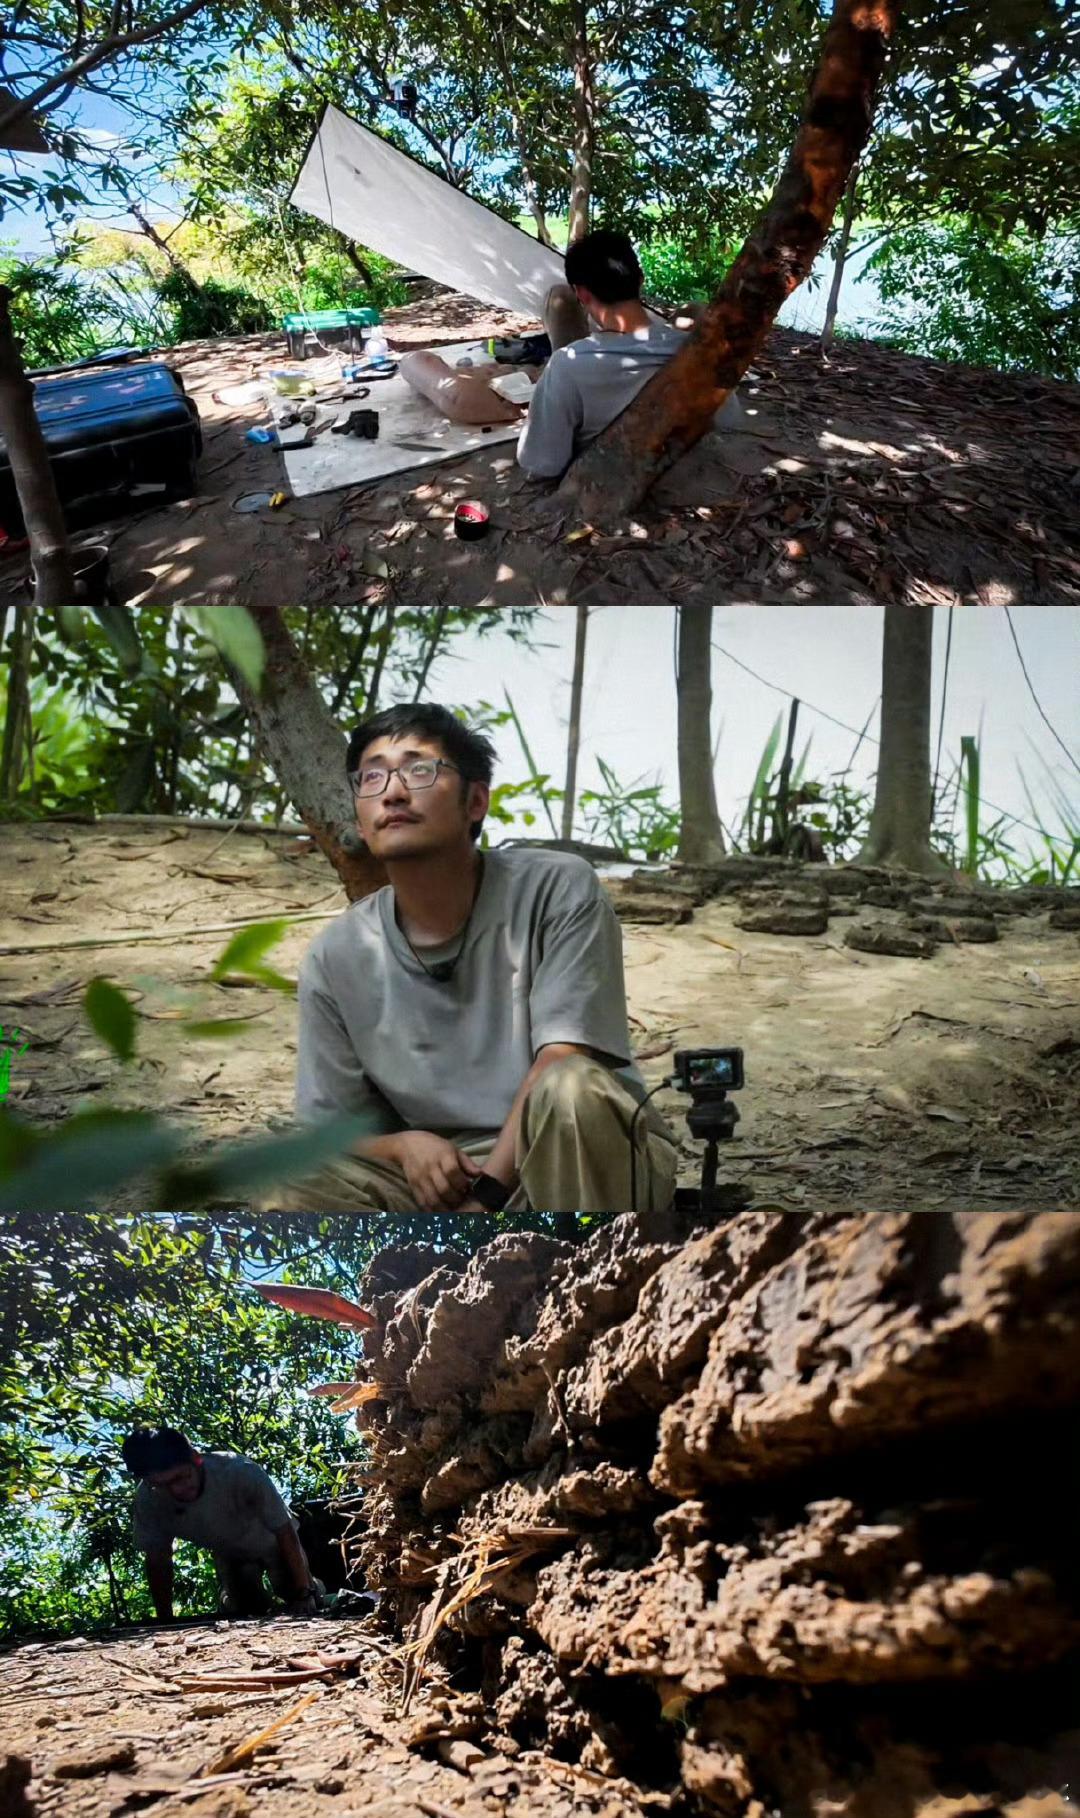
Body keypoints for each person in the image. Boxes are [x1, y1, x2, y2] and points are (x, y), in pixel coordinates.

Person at [260, 702, 679, 1217]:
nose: (392, 791)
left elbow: (566, 1057)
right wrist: (403, 1146)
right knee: (290, 1178)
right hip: (443, 1181)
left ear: (475, 800)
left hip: (581, 1154)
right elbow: (329, 1131)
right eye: (371, 777)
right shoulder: (337, 954)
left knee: (570, 1090)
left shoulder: (559, 889)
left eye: (419, 769)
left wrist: (487, 1199)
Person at [516, 227, 742, 479]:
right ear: (640, 279)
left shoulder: (568, 365)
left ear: (581, 293)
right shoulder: (695, 351)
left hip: (607, 479)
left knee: (556, 298)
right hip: (685, 470)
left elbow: (544, 463)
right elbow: (729, 420)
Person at [122, 1427, 323, 1621]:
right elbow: (158, 1557)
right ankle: (230, 1601)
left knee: (304, 1599)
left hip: (276, 1545)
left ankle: (317, 1588)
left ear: (196, 1459)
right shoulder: (149, 1497)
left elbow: (285, 1532)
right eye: (161, 1485)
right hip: (231, 1554)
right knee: (246, 1609)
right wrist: (164, 1617)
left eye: (181, 1477)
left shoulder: (240, 1472)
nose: (176, 1490)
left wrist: (304, 1593)